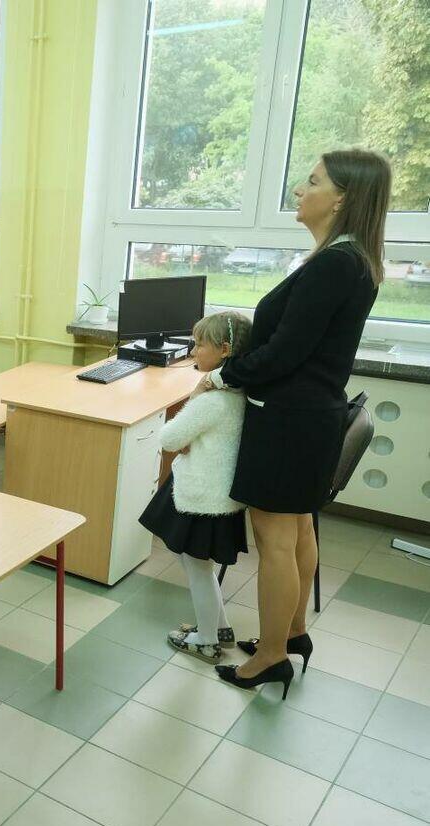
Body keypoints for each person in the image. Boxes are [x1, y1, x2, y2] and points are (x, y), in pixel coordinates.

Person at [200, 150, 390, 696]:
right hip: (311, 418)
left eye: (313, 181)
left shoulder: (334, 264)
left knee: (276, 540)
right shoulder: (351, 259)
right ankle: (292, 632)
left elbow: (285, 353)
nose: (300, 190)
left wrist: (221, 375)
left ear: (342, 198)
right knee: (299, 529)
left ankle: (269, 657)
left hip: (288, 421)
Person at [139, 312, 252, 663]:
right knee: (197, 566)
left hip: (202, 498)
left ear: (224, 350)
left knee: (197, 569)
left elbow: (170, 438)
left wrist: (197, 392)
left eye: (200, 345)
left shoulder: (214, 399)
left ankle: (206, 640)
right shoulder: (239, 391)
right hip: (217, 495)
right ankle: (219, 627)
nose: (193, 351)